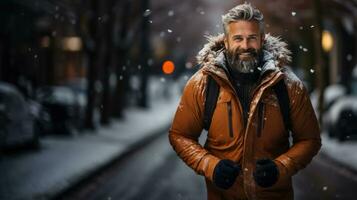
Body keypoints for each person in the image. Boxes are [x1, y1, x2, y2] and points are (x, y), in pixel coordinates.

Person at [168, 3, 321, 200]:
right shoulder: (203, 84)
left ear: (262, 39)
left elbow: (310, 139)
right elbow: (180, 135)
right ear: (226, 41)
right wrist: (211, 166)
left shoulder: (289, 86)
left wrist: (280, 167)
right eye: (238, 38)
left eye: (252, 38)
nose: (245, 46)